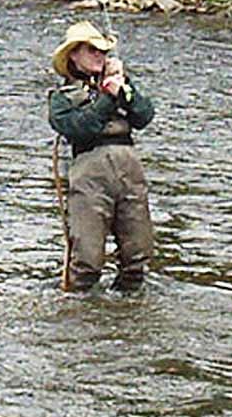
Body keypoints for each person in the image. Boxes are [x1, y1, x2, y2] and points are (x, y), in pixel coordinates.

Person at [47, 20, 155, 291]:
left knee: (137, 256)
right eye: (93, 50)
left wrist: (124, 88)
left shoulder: (120, 85)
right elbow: (81, 128)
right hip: (90, 174)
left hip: (129, 170)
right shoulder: (61, 98)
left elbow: (144, 115)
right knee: (88, 259)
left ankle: (126, 315)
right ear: (73, 55)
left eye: (103, 51)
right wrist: (108, 97)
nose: (100, 56)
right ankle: (79, 318)